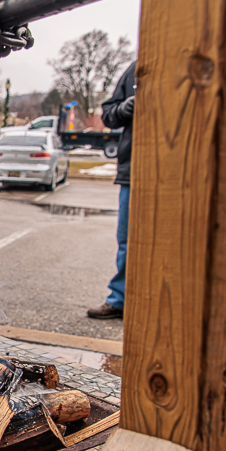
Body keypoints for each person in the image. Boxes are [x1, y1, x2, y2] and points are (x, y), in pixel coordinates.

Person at [87, 60, 136, 320]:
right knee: (127, 240)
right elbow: (108, 114)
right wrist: (125, 107)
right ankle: (120, 299)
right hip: (133, 170)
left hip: (176, 173)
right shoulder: (136, 70)